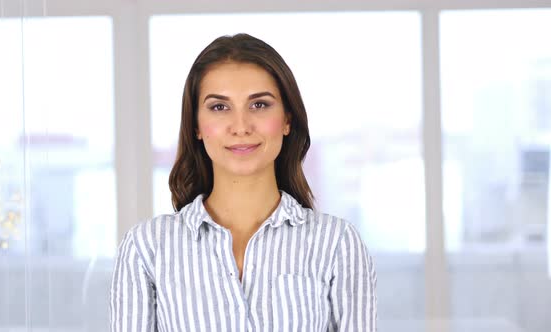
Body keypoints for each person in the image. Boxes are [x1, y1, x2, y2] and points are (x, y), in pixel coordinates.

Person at [110, 33, 377, 332]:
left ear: (287, 119)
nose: (241, 127)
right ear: (196, 125)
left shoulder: (337, 243)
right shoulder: (147, 247)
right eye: (219, 107)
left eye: (260, 105)